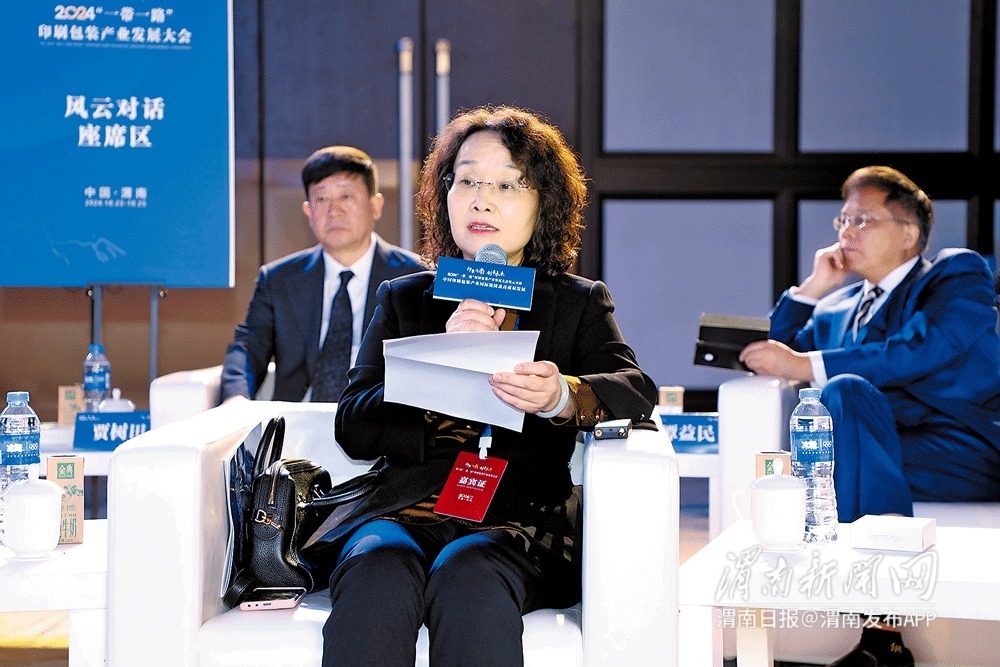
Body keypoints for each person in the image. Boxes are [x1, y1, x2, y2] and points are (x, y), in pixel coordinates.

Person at [306, 107, 657, 666]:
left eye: (507, 185)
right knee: (376, 568)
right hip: (405, 511)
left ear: (543, 203)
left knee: (468, 573)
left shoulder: (576, 302)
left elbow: (636, 390)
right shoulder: (406, 299)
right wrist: (437, 364)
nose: (481, 200)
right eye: (467, 180)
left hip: (520, 521)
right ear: (445, 196)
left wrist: (562, 396)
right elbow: (353, 425)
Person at [740, 165, 1000, 667]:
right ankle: (883, 637)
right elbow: (767, 354)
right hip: (876, 453)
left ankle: (879, 629)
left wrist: (805, 365)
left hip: (959, 450)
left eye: (863, 220)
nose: (846, 232)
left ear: (909, 234)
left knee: (844, 392)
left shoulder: (955, 276)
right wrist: (811, 289)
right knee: (841, 417)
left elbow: (920, 349)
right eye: (842, 220)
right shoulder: (835, 309)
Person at [221, 146, 423, 402]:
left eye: (346, 196)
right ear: (308, 212)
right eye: (321, 199)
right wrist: (236, 398)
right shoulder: (278, 279)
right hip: (298, 419)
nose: (333, 210)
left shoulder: (414, 277)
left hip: (376, 417)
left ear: (375, 205)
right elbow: (248, 348)